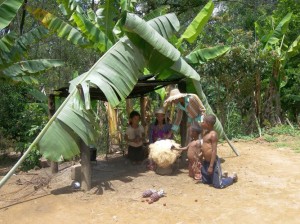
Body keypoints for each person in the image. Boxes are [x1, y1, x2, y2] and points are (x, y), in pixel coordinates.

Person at [200, 114, 238, 188]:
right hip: (206, 162)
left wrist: (211, 166)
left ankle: (232, 177)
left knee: (218, 185)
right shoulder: (205, 133)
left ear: (208, 124)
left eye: (203, 122)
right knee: (206, 181)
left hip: (213, 162)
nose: (202, 123)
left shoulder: (213, 135)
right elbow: (204, 147)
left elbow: (214, 151)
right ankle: (222, 175)